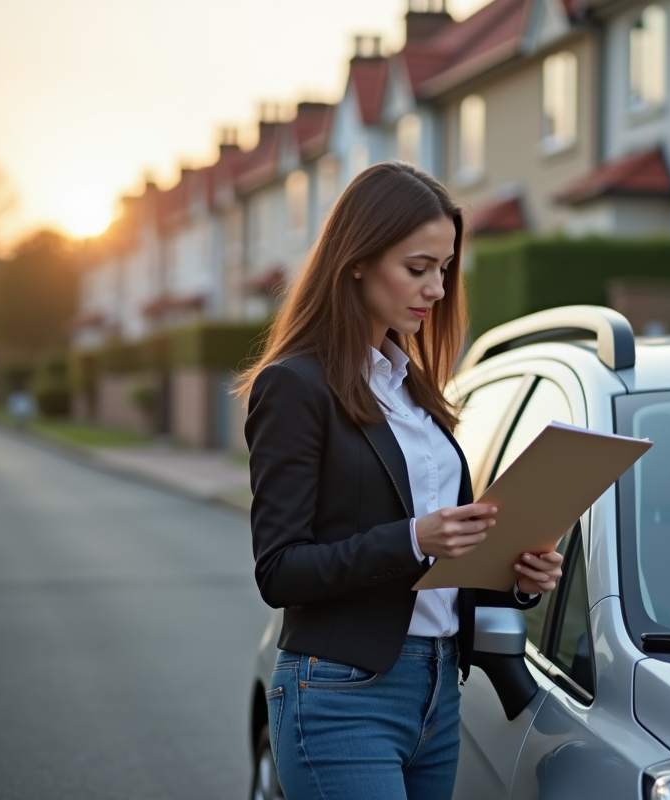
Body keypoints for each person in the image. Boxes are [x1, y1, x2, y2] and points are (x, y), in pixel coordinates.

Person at [237, 162, 564, 800]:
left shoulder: (411, 388)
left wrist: (517, 578)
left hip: (439, 692)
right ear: (357, 260)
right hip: (339, 694)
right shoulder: (295, 386)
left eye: (443, 268)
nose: (437, 288)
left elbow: (445, 573)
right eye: (418, 268)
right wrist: (414, 539)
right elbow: (279, 571)